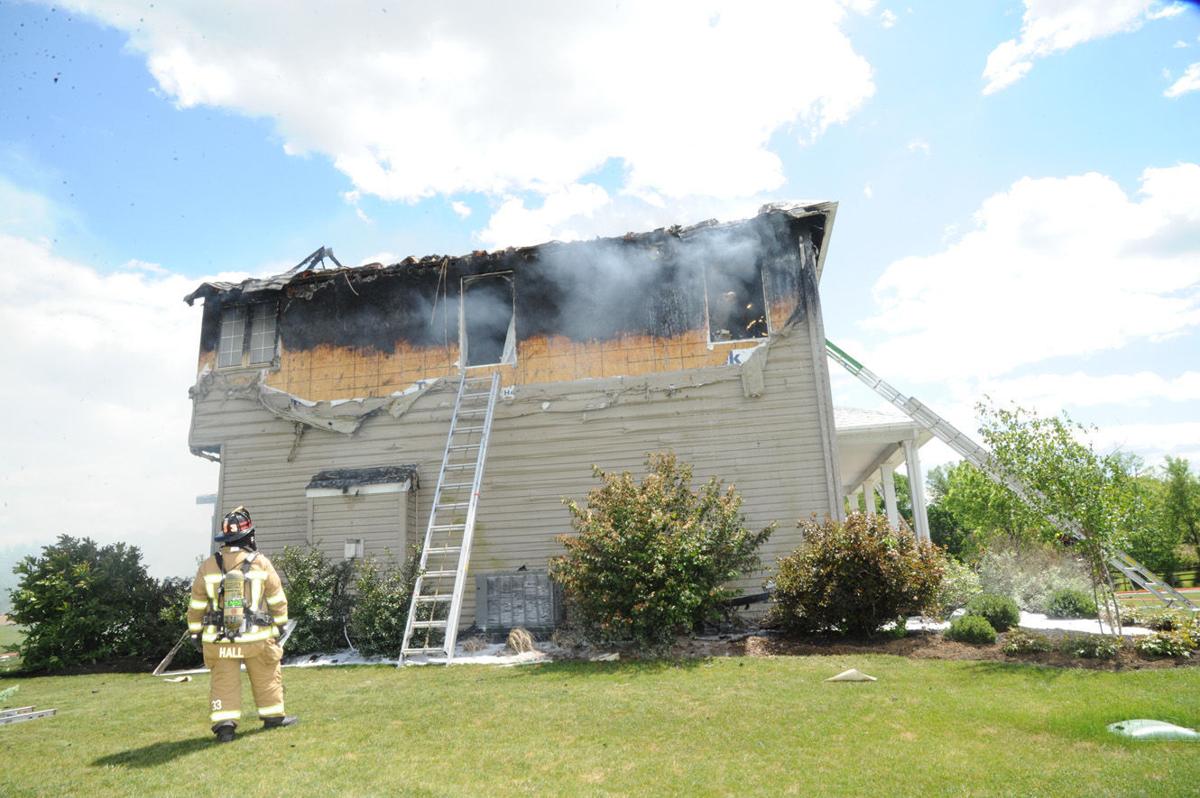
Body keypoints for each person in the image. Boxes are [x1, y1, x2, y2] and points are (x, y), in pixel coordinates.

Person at [187, 506, 298, 742]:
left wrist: (195, 633)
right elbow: (277, 599)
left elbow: (196, 604)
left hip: (219, 641)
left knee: (223, 683)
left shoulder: (208, 566)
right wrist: (280, 626)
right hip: (256, 640)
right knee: (267, 676)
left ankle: (225, 727)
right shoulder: (261, 563)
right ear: (249, 536)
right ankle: (273, 717)